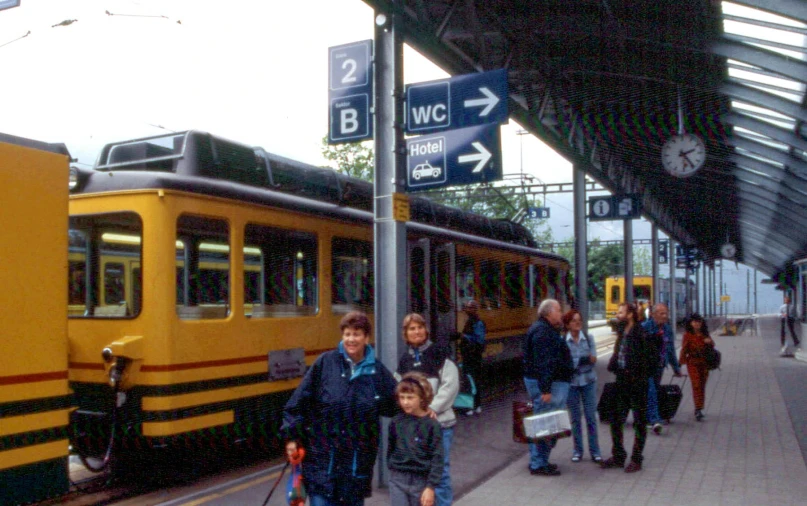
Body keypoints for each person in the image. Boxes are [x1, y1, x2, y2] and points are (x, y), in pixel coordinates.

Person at [281, 311, 398, 506]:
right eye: (347, 334)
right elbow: (297, 403)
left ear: (367, 338)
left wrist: (422, 409)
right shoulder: (325, 363)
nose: (351, 339)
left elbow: (397, 404)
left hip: (356, 464)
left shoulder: (377, 371)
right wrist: (292, 436)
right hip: (322, 461)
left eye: (357, 334)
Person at [396, 313, 459, 506]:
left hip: (440, 425)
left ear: (426, 330)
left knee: (440, 472)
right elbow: (400, 387)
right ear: (405, 334)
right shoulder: (405, 359)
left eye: (420, 327)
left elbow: (450, 384)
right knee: (421, 473)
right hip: (416, 427)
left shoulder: (439, 353)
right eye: (411, 329)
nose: (417, 332)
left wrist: (432, 408)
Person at [601, 302, 655, 473]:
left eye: (621, 312)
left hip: (637, 383)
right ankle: (618, 455)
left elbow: (647, 361)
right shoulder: (622, 332)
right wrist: (614, 365)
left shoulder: (641, 334)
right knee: (616, 420)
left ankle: (637, 459)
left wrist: (638, 375)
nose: (617, 315)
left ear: (630, 315)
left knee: (639, 422)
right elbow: (619, 354)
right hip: (622, 381)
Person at [523, 299, 574, 476]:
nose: (561, 313)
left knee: (544, 421)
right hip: (546, 385)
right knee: (544, 422)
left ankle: (540, 461)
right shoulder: (543, 332)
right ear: (548, 313)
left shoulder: (545, 329)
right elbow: (543, 363)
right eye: (558, 310)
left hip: (548, 383)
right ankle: (538, 464)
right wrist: (545, 390)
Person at [388, 372, 444, 506]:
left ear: (422, 398)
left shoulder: (431, 424)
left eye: (410, 397)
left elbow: (437, 457)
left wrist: (431, 487)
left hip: (421, 481)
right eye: (402, 397)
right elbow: (391, 447)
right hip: (398, 478)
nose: (405, 402)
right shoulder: (396, 422)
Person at [563, 309, 602, 463]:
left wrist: (576, 362)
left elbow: (593, 359)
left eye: (579, 320)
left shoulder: (588, 337)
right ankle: (577, 451)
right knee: (575, 418)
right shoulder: (563, 341)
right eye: (574, 320)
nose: (578, 323)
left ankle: (595, 451)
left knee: (591, 416)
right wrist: (580, 361)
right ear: (567, 324)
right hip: (571, 383)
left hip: (588, 381)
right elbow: (565, 364)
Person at [642, 303, 682, 435]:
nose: (665, 316)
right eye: (661, 313)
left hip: (659, 365)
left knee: (652, 391)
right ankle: (654, 420)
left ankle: (648, 417)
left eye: (666, 313)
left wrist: (676, 368)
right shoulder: (644, 328)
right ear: (652, 315)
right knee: (651, 390)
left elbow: (670, 350)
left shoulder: (667, 329)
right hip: (646, 366)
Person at [679, 313, 715, 421]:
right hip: (692, 363)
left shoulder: (705, 334)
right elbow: (684, 349)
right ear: (690, 323)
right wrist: (679, 364)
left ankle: (699, 407)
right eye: (694, 322)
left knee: (702, 385)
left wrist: (709, 342)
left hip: (704, 363)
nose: (697, 324)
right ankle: (698, 409)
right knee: (696, 384)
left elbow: (712, 344)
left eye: (698, 322)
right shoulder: (687, 335)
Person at [459, 300, 486, 416]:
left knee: (471, 380)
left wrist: (463, 336)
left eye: (469, 308)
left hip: (472, 356)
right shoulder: (472, 321)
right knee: (472, 380)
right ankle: (474, 405)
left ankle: (473, 405)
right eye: (466, 308)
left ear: (474, 309)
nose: (466, 310)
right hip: (471, 356)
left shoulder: (477, 323)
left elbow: (479, 340)